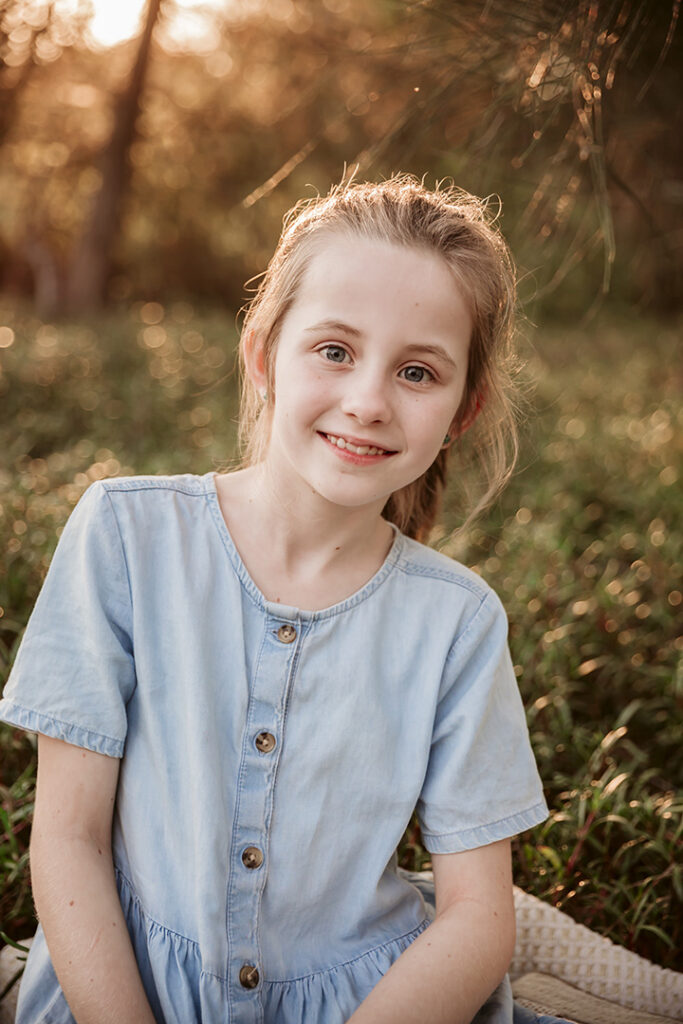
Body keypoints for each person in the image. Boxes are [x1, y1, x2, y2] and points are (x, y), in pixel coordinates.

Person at [0, 175, 570, 1024]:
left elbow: (478, 917)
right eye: (334, 351)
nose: (368, 401)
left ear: (462, 408)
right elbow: (69, 840)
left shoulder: (457, 622)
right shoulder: (125, 535)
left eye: (417, 371)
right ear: (263, 353)